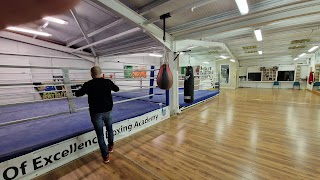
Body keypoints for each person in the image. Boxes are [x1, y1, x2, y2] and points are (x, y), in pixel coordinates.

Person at [75, 66, 119, 163]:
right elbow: (117, 89)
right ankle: (110, 147)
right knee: (110, 129)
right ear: (101, 73)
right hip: (108, 111)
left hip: (96, 113)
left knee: (100, 135)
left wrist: (75, 90)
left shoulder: (88, 84)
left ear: (91, 74)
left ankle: (106, 156)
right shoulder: (107, 82)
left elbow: (78, 94)